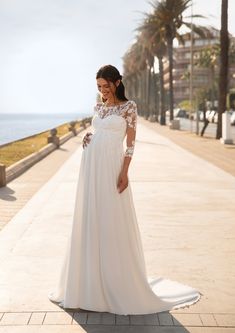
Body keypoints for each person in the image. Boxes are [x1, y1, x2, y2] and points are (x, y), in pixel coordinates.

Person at [48, 64, 202, 315]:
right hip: (90, 166)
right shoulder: (97, 107)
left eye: (106, 86)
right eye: (98, 87)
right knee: (91, 217)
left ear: (117, 83)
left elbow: (130, 143)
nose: (102, 91)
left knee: (110, 219)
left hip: (111, 167)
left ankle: (113, 282)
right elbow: (96, 130)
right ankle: (87, 282)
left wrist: (125, 171)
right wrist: (88, 136)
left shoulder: (129, 108)